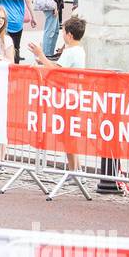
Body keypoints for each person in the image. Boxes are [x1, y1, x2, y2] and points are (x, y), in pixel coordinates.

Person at [29, 17, 88, 172]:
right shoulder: (78, 50)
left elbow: (56, 71)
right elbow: (57, 66)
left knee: (67, 135)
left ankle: (74, 170)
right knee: (69, 134)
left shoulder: (70, 52)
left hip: (68, 97)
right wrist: (43, 61)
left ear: (69, 35)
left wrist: (41, 56)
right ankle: (76, 169)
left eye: (63, 32)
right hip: (73, 95)